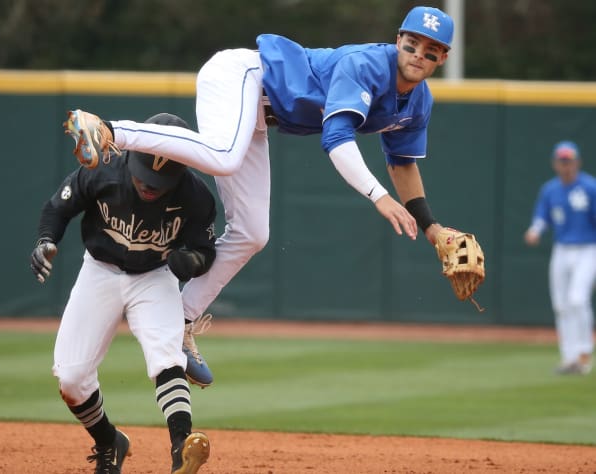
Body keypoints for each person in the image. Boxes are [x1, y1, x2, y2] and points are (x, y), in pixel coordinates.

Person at [64, 6, 457, 383]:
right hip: (244, 76)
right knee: (222, 155)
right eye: (412, 44)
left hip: (257, 114)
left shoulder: (418, 102)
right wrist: (378, 196)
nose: (418, 55)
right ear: (398, 39)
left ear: (442, 58)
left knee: (253, 232)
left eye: (430, 51)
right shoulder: (367, 65)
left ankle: (179, 320)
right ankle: (108, 130)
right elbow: (336, 139)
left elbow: (403, 163)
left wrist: (432, 228)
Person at [31, 112, 215, 473]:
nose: (150, 185)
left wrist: (189, 262)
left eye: (162, 180)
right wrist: (45, 240)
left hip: (154, 275)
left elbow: (206, 253)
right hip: (99, 269)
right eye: (146, 174)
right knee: (71, 379)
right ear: (131, 154)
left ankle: (182, 449)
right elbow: (58, 206)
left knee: (166, 355)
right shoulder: (103, 168)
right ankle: (108, 441)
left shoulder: (195, 196)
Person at [524, 140, 596, 375]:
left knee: (577, 299)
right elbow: (542, 216)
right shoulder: (550, 189)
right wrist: (535, 230)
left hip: (588, 249)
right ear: (555, 163)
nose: (566, 166)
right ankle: (569, 357)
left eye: (569, 161)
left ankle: (584, 353)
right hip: (562, 249)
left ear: (577, 162)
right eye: (562, 161)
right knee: (561, 305)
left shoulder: (589, 187)